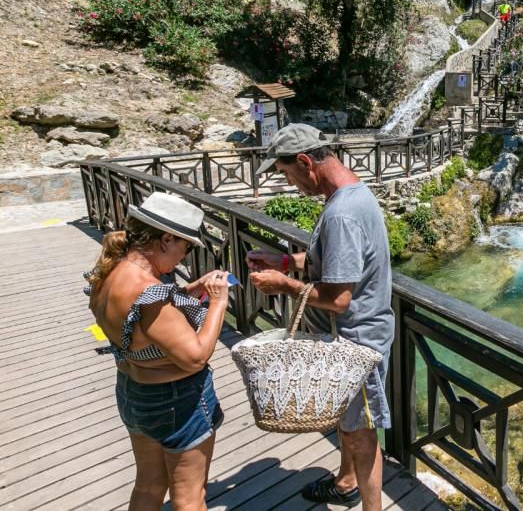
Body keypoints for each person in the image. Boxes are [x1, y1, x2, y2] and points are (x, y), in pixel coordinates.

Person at [246, 123, 394, 511]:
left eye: (286, 174)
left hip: (355, 343)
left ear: (305, 161)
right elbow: (336, 263)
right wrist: (285, 261)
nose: (290, 183)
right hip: (354, 337)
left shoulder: (340, 214)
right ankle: (346, 485)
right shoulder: (354, 195)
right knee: (350, 425)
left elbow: (338, 298)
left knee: (362, 435)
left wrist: (284, 284)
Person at [86, 192, 230, 511]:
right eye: (185, 246)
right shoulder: (149, 293)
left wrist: (189, 292)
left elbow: (143, 329)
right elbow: (195, 356)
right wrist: (218, 301)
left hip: (134, 393)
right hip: (176, 401)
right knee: (189, 497)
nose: (184, 256)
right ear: (165, 239)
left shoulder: (110, 270)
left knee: (149, 486)